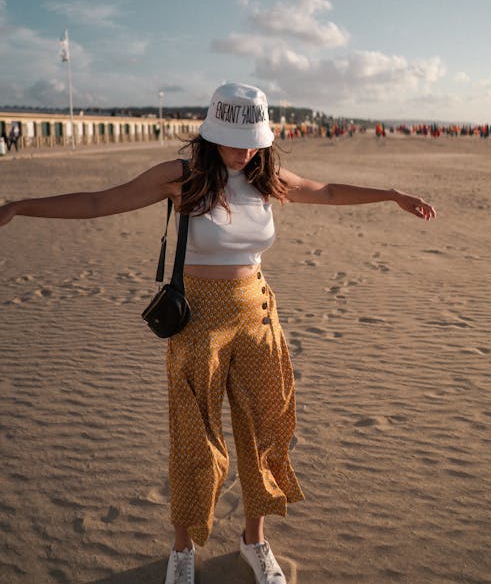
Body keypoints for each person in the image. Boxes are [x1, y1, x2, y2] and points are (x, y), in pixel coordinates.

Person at [0, 82, 436, 584]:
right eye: (235, 139)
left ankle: (255, 541)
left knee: (262, 431)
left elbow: (329, 191)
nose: (245, 150)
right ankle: (182, 551)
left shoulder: (263, 174)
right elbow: (101, 201)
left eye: (253, 140)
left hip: (257, 315)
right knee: (194, 437)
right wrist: (20, 204)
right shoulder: (181, 177)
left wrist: (391, 195)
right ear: (212, 133)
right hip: (198, 320)